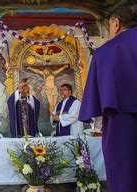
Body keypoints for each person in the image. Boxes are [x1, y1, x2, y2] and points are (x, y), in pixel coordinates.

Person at [78, 2, 137, 192]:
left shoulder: (107, 52)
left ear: (116, 23)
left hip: (122, 125)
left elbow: (93, 103)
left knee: (125, 179)